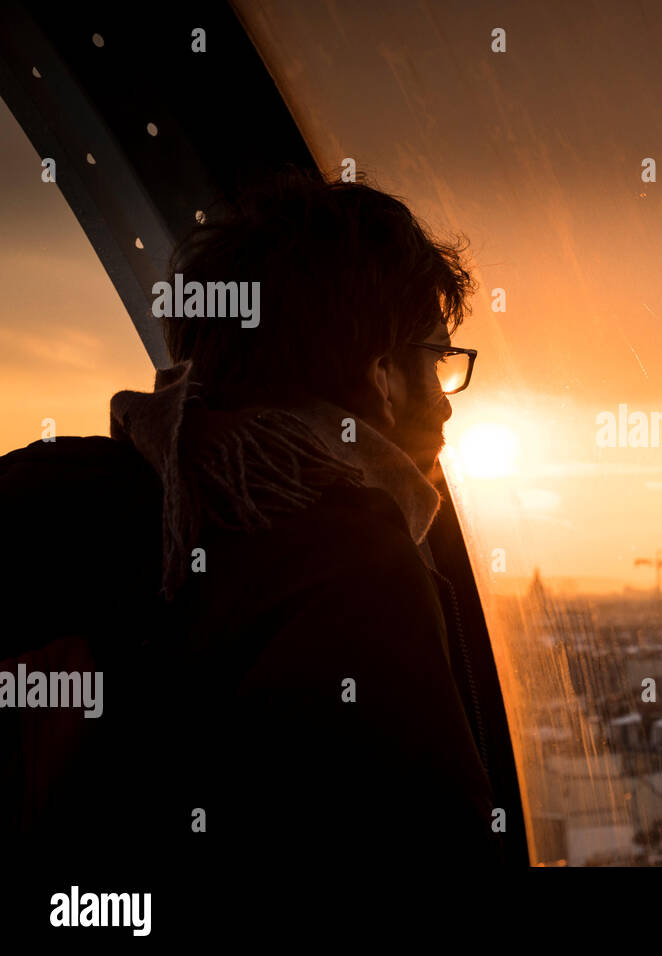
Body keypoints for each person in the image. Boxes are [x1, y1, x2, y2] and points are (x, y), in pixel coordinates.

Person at [1, 169, 507, 879]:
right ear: (382, 372)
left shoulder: (65, 493)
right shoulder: (353, 562)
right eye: (438, 360)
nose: (448, 405)